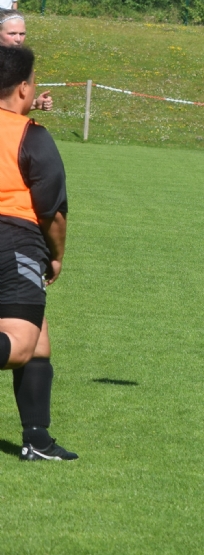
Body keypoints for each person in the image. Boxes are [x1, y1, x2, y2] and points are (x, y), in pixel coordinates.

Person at [0, 45, 76, 460]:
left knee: (37, 335)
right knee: (19, 345)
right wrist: (56, 254)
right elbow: (52, 212)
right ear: (23, 88)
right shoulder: (31, 135)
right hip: (12, 239)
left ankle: (38, 439)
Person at [0, 10, 51, 111]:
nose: (18, 39)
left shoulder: (22, 63)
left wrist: (35, 104)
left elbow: (10, 103)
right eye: (12, 33)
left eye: (22, 34)